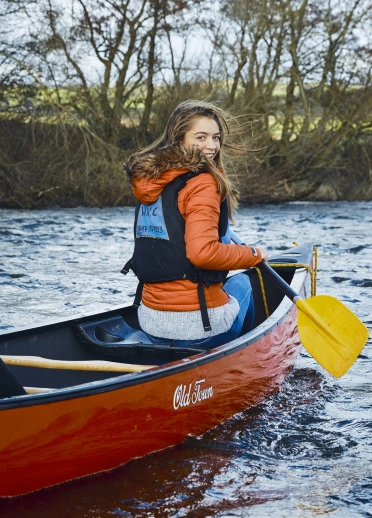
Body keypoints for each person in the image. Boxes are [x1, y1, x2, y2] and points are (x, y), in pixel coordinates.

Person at [122, 100, 268, 348]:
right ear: (179, 139)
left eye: (216, 137)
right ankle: (245, 353)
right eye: (201, 137)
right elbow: (202, 254)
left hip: (150, 321)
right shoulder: (203, 183)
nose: (211, 146)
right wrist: (254, 253)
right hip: (200, 328)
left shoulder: (149, 180)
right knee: (243, 282)